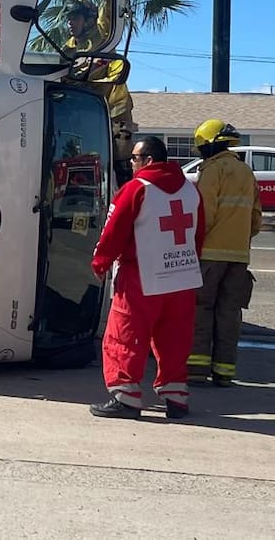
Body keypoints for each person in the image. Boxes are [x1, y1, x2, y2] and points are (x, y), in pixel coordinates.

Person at [89, 136, 204, 419]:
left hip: (141, 275)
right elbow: (198, 233)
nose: (131, 163)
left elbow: (113, 230)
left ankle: (126, 397)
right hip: (182, 276)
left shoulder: (136, 189)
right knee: (175, 339)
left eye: (135, 158)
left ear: (148, 160)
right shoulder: (191, 191)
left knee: (125, 335)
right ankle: (176, 397)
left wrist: (100, 262)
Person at [188, 119, 262, 387]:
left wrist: (193, 243)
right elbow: (256, 218)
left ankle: (197, 369)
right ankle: (224, 371)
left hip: (210, 255)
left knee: (201, 309)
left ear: (209, 145)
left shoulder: (213, 170)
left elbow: (204, 215)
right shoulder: (246, 172)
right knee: (230, 313)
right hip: (239, 257)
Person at [61, 0, 137, 190]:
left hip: (113, 109)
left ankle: (126, 194)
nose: (70, 23)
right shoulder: (67, 49)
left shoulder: (102, 34)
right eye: (68, 19)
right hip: (83, 112)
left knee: (121, 155)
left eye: (75, 18)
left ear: (88, 20)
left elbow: (110, 4)